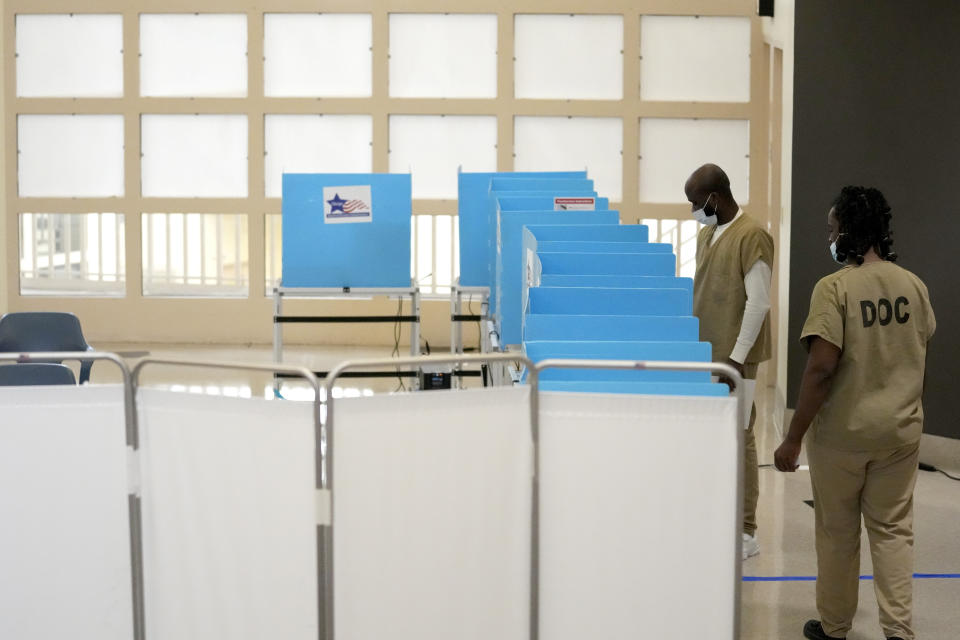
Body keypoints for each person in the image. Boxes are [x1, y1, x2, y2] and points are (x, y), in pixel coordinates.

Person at [774, 186, 935, 640]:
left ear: (847, 231)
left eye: (831, 229)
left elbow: (822, 369)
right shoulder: (914, 286)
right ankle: (899, 631)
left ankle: (835, 627)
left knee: (838, 533)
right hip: (899, 435)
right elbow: (919, 352)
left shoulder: (835, 289)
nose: (829, 236)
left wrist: (792, 437)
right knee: (893, 532)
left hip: (843, 438)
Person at [685, 163, 774, 560]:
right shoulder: (708, 233)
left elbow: (759, 302)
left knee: (741, 437)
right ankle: (718, 517)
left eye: (695, 202)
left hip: (735, 358)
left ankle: (746, 531)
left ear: (714, 198)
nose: (693, 209)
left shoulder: (752, 235)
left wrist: (736, 360)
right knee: (714, 439)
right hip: (707, 353)